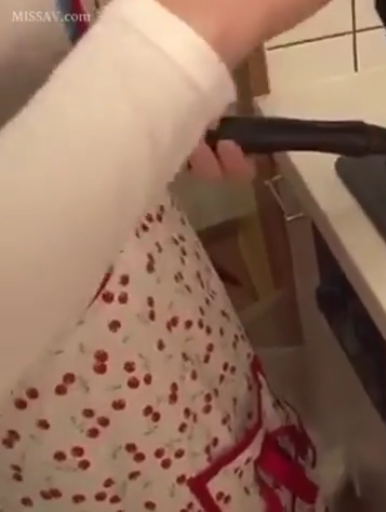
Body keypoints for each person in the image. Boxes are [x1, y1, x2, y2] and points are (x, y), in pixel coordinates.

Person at [0, 0, 340, 509]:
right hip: (54, 402)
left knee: (228, 432)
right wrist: (182, 45)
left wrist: (137, 101)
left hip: (149, 276)